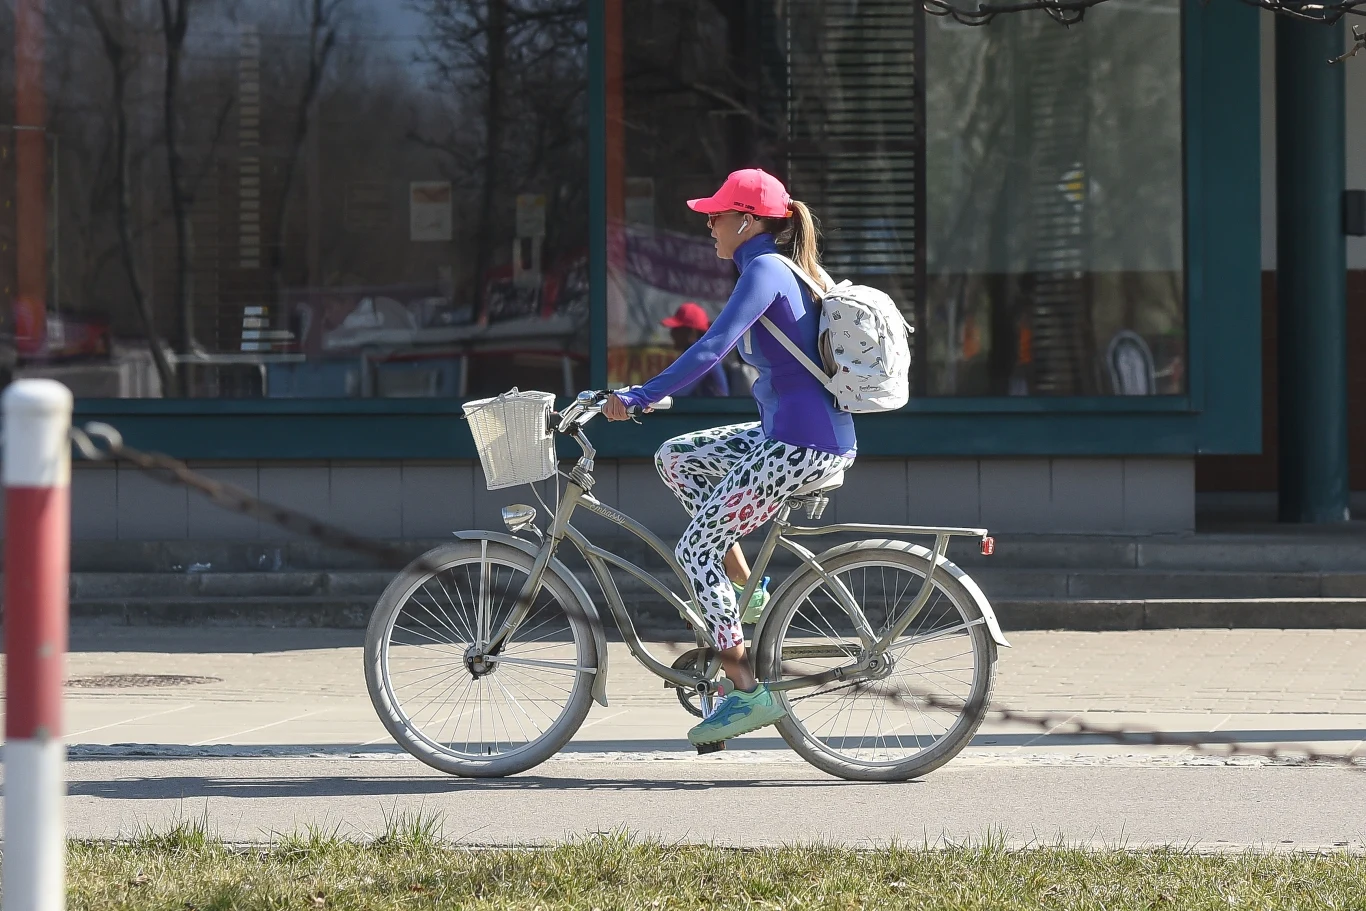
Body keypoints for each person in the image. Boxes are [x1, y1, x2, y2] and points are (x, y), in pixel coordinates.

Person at [605, 168, 856, 747]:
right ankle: (749, 590)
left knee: (695, 549)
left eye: (715, 216)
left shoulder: (766, 269)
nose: (708, 226)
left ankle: (745, 692)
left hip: (802, 444)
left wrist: (639, 395)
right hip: (786, 435)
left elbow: (711, 347)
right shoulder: (775, 268)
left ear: (745, 221)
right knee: (677, 456)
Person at [661, 302, 730, 398]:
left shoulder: (703, 357)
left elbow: (673, 395)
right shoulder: (697, 354)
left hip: (713, 408)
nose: (672, 333)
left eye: (677, 329)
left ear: (691, 333)